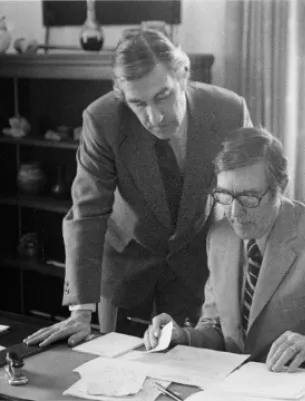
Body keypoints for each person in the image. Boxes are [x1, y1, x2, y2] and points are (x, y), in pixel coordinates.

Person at [24, 28, 252, 347]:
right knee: (115, 375)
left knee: (188, 370)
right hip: (125, 265)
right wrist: (79, 312)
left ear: (183, 74)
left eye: (163, 96)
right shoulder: (102, 120)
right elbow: (88, 213)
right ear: (122, 95)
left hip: (196, 265)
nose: (155, 117)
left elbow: (251, 194)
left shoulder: (229, 111)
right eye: (138, 103)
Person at [144, 127, 305, 376]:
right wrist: (182, 336)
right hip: (235, 385)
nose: (234, 214)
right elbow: (217, 328)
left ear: (282, 187)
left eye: (248, 197)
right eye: (225, 195)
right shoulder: (220, 236)